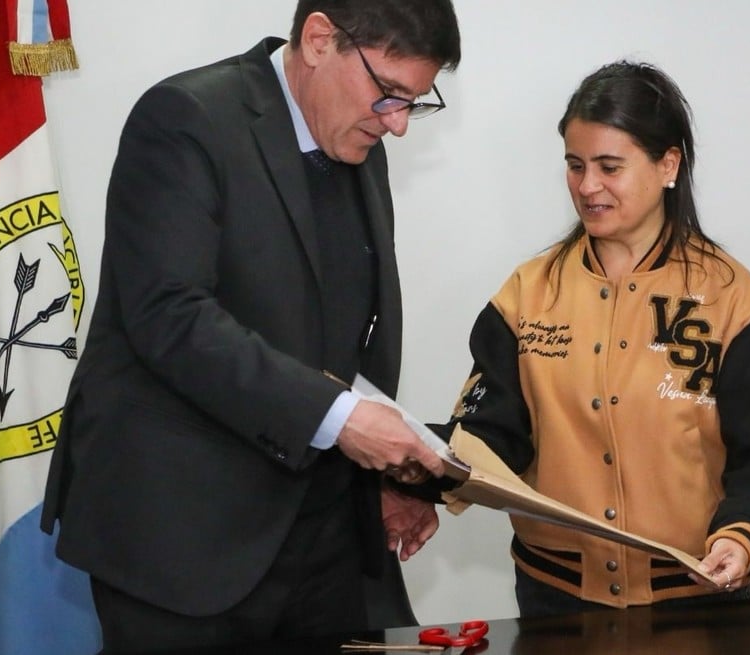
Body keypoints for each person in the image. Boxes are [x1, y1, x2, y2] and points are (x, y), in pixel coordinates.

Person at [39, 1, 461, 650]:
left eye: (414, 102)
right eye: (389, 92)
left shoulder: (358, 138)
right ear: (319, 40)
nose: (398, 123)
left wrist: (386, 477)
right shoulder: (187, 120)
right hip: (184, 540)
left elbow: (347, 329)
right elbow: (169, 315)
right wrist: (343, 419)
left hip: (325, 538)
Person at [434, 60, 750, 617]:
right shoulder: (526, 294)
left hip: (696, 599)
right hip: (555, 603)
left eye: (610, 167)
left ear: (668, 164)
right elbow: (491, 436)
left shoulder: (733, 300)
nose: (588, 186)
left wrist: (743, 534)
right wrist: (415, 461)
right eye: (575, 165)